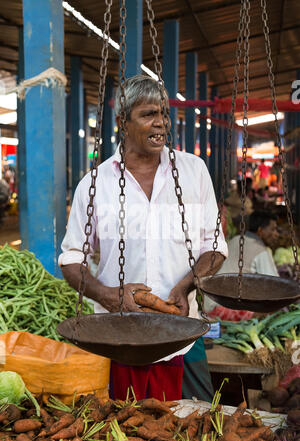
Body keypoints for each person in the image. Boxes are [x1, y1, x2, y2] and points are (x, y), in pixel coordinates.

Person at [58, 74, 228, 402]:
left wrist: (185, 286)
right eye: (148, 114)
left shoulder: (193, 172)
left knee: (197, 424)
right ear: (123, 121)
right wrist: (108, 295)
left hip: (183, 335)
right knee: (123, 431)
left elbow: (215, 247)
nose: (160, 123)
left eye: (164, 114)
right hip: (117, 339)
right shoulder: (96, 184)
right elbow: (71, 258)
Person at [204, 210, 279, 318]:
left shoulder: (235, 239)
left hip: (208, 303)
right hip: (224, 310)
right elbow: (276, 287)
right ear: (260, 230)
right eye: (273, 229)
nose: (276, 234)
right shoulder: (261, 251)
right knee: (272, 311)